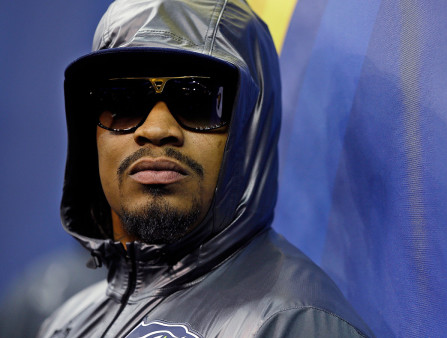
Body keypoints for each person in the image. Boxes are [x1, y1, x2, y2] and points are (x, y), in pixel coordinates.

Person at [38, 1, 373, 337]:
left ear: (250, 126)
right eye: (123, 100)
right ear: (91, 132)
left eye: (196, 100)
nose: (155, 129)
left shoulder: (297, 325)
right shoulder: (65, 324)